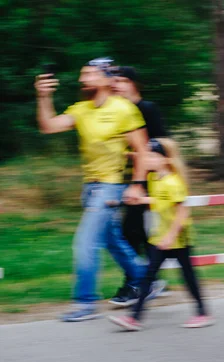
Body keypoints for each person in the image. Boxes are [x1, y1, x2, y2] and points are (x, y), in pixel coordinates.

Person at [34, 57, 148, 321]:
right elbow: (48, 126)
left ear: (108, 79)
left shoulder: (124, 109)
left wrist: (137, 185)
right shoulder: (81, 109)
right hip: (90, 188)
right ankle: (145, 278)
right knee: (113, 241)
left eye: (89, 74)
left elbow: (142, 150)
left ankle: (85, 303)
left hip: (110, 188)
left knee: (85, 242)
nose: (82, 79)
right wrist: (43, 96)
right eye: (82, 74)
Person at [108, 138, 214, 330]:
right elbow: (159, 199)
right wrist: (139, 200)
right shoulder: (153, 178)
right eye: (146, 155)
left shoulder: (174, 182)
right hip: (160, 238)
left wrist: (171, 236)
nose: (146, 159)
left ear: (165, 159)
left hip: (178, 238)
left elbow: (182, 211)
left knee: (188, 276)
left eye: (152, 155)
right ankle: (134, 318)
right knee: (148, 277)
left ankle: (202, 313)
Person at [109, 66, 169, 306]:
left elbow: (163, 144)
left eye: (122, 81)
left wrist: (138, 154)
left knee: (129, 231)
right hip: (132, 180)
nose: (117, 85)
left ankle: (136, 285)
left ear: (134, 83)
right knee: (141, 234)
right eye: (115, 81)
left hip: (151, 182)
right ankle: (151, 280)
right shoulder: (118, 112)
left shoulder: (147, 109)